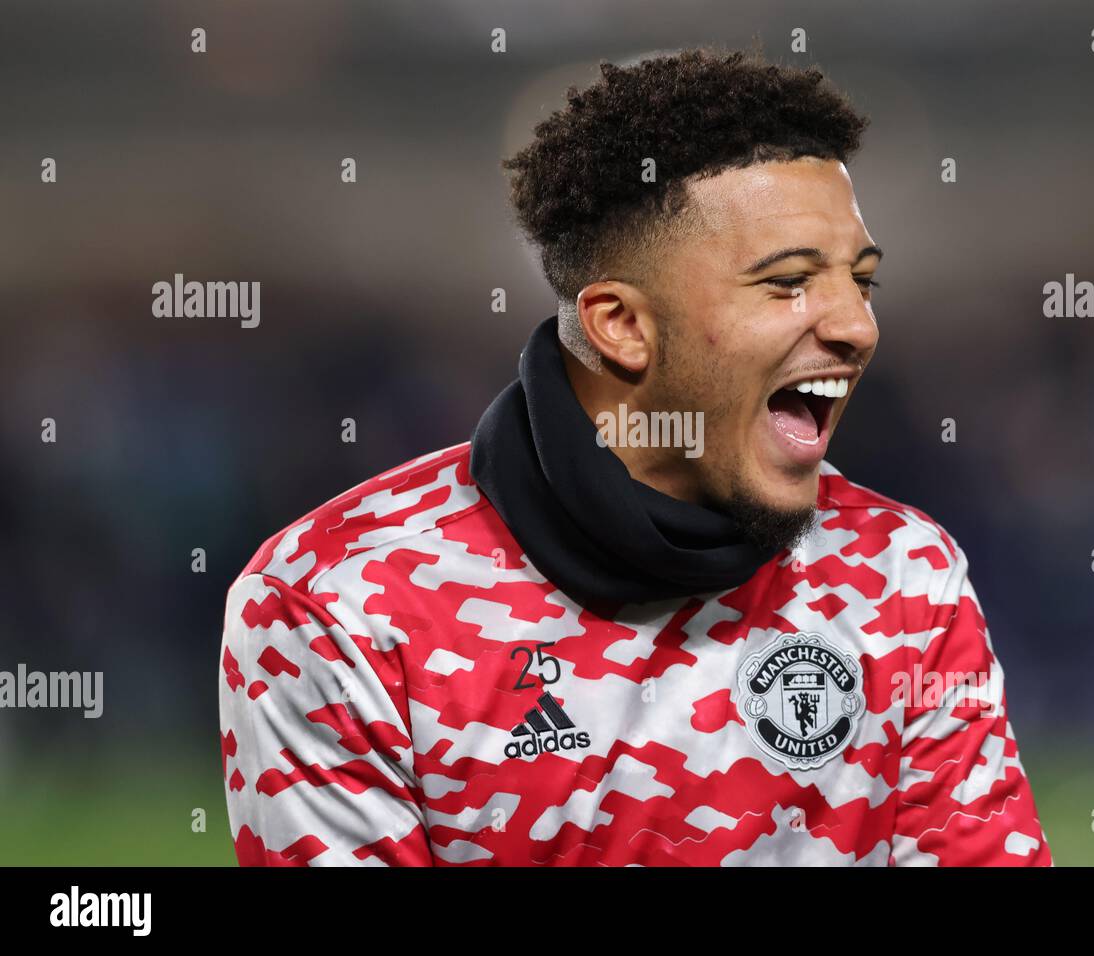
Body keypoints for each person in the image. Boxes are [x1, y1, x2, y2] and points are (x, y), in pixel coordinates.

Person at [218, 47, 1052, 866]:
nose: (856, 326)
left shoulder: (904, 576)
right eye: (789, 282)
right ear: (621, 324)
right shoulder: (333, 606)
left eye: (861, 281)